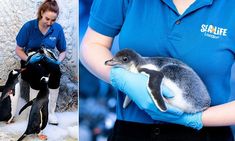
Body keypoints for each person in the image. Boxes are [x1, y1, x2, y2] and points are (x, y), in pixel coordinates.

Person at [80, 0, 235, 141]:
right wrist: (121, 78)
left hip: (206, 133)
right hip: (131, 133)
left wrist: (197, 119)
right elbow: (93, 44)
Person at [15, 0, 66, 125]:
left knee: (56, 72)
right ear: (41, 13)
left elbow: (63, 51)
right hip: (31, 60)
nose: (49, 23)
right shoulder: (28, 27)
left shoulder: (57, 29)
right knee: (37, 72)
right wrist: (28, 59)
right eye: (47, 19)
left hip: (48, 58)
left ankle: (51, 112)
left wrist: (58, 61)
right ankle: (34, 112)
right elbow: (18, 49)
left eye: (53, 20)